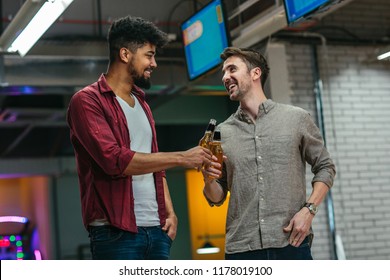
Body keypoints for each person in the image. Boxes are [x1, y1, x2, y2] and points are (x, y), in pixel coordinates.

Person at [66, 16, 212, 260]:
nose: (154, 63)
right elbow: (114, 161)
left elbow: (155, 163)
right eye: (149, 55)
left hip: (157, 230)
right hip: (114, 232)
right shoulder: (87, 101)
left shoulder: (142, 103)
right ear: (125, 54)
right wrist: (182, 158)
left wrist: (170, 212)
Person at [202, 47, 336, 260]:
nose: (225, 77)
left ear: (255, 73)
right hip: (241, 250)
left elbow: (325, 167)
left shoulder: (296, 118)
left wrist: (309, 210)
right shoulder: (221, 132)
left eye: (232, 69)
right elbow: (217, 196)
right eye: (224, 73)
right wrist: (208, 180)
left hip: (290, 242)